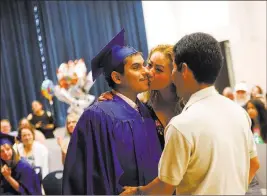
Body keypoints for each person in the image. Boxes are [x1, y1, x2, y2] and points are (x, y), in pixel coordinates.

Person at [121, 32, 260, 195]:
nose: (149, 72)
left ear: (183, 70)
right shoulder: (238, 112)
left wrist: (136, 193)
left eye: (171, 68)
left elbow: (164, 187)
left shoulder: (181, 125)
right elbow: (254, 164)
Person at [62, 29, 162, 195]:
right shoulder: (97, 116)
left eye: (144, 65)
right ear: (117, 78)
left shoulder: (147, 111)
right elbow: (86, 179)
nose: (146, 71)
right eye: (136, 67)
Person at [99, 44, 182, 149]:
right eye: (149, 65)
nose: (148, 72)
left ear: (173, 75)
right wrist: (115, 97)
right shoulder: (141, 105)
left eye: (158, 70)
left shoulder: (188, 105)